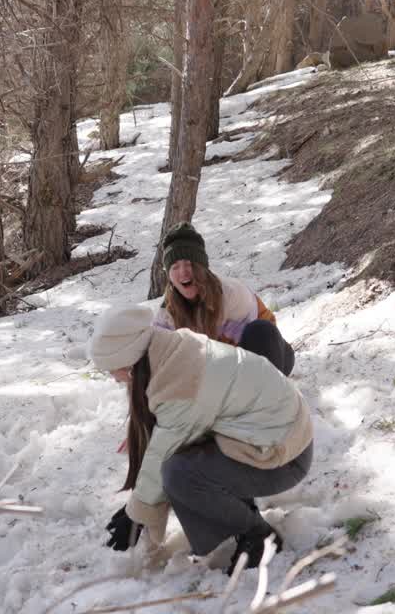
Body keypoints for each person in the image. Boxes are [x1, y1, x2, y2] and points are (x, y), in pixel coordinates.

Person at [89, 304, 313, 573]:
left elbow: (163, 453)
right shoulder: (175, 352)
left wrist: (135, 514)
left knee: (179, 472)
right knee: (184, 463)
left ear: (129, 359)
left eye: (112, 369)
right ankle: (237, 523)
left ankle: (258, 535)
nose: (114, 379)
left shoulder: (180, 382)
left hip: (283, 454)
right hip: (269, 438)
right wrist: (137, 508)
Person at [154, 222, 294, 376]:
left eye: (189, 264)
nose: (183, 272)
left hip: (267, 356)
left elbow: (265, 337)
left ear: (203, 268)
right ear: (169, 276)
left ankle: (269, 395)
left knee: (260, 330)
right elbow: (156, 356)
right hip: (219, 373)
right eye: (174, 267)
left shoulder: (229, 293)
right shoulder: (166, 314)